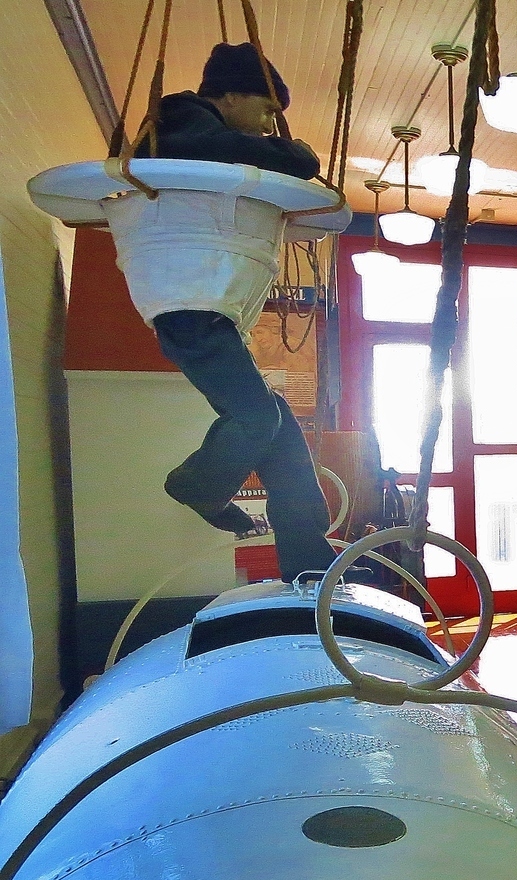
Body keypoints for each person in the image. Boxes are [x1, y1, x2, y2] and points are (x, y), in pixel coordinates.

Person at [135, 43, 336, 583]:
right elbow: (262, 154)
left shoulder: (204, 134)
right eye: (268, 110)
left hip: (204, 305)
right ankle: (197, 484)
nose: (272, 125)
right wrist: (299, 156)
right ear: (230, 95)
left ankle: (308, 558)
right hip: (188, 304)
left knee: (280, 426)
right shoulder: (179, 117)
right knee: (256, 416)